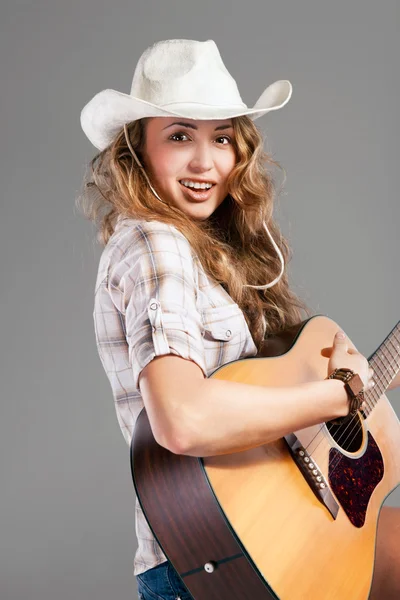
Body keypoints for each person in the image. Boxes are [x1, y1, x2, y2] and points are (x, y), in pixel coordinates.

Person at [78, 39, 400, 600]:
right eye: (179, 136)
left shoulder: (206, 255)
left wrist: (342, 386)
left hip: (259, 541)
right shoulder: (156, 244)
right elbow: (182, 419)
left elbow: (252, 413)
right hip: (210, 563)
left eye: (222, 139)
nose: (206, 163)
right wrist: (337, 397)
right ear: (137, 151)